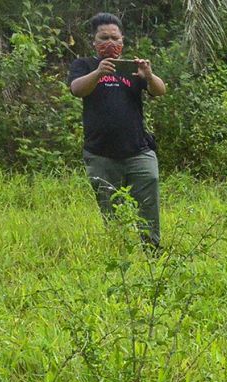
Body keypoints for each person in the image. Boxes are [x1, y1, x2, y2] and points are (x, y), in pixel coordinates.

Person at [68, 12, 167, 248]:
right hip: (100, 153)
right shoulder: (84, 65)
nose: (110, 43)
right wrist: (99, 72)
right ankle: (118, 251)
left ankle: (151, 249)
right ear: (94, 41)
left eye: (115, 38)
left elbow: (160, 90)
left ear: (122, 41)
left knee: (148, 198)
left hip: (138, 150)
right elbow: (76, 89)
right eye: (104, 38)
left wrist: (149, 75)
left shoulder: (133, 68)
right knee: (110, 207)